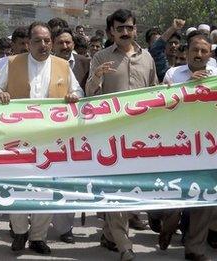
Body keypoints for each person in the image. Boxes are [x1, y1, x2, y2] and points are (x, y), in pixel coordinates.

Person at [0, 21, 83, 255]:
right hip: (18, 138)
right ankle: (19, 231)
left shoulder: (62, 65)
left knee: (46, 188)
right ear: (28, 43)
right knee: (17, 185)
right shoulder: (12, 63)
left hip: (52, 140)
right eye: (38, 41)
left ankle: (38, 237)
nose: (43, 45)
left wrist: (73, 95)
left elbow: (78, 91)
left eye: (47, 40)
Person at [86, 9, 158, 261]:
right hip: (111, 136)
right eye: (120, 28)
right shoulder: (101, 57)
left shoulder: (147, 58)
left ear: (135, 29)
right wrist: (96, 77)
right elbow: (89, 95)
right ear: (111, 32)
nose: (125, 32)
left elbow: (154, 93)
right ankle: (124, 244)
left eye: (129, 27)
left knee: (129, 188)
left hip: (139, 136)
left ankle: (109, 234)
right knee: (117, 188)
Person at [161, 30, 215, 261]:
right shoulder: (174, 75)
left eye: (204, 51)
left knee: (205, 198)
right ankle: (167, 224)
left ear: (210, 53)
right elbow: (160, 104)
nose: (199, 54)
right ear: (187, 51)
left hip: (206, 147)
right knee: (172, 198)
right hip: (176, 144)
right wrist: (186, 89)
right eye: (195, 49)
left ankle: (195, 249)